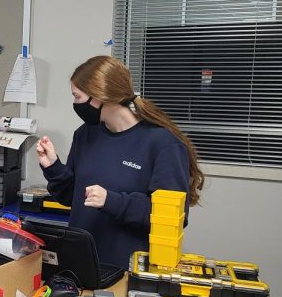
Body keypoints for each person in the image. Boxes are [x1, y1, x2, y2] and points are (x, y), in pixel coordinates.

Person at [36, 55, 204, 270]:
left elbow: (173, 220)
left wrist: (113, 201)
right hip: (81, 263)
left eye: (77, 97)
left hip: (129, 270)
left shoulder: (162, 144)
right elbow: (72, 197)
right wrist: (53, 167)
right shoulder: (86, 134)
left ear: (100, 96)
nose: (75, 104)